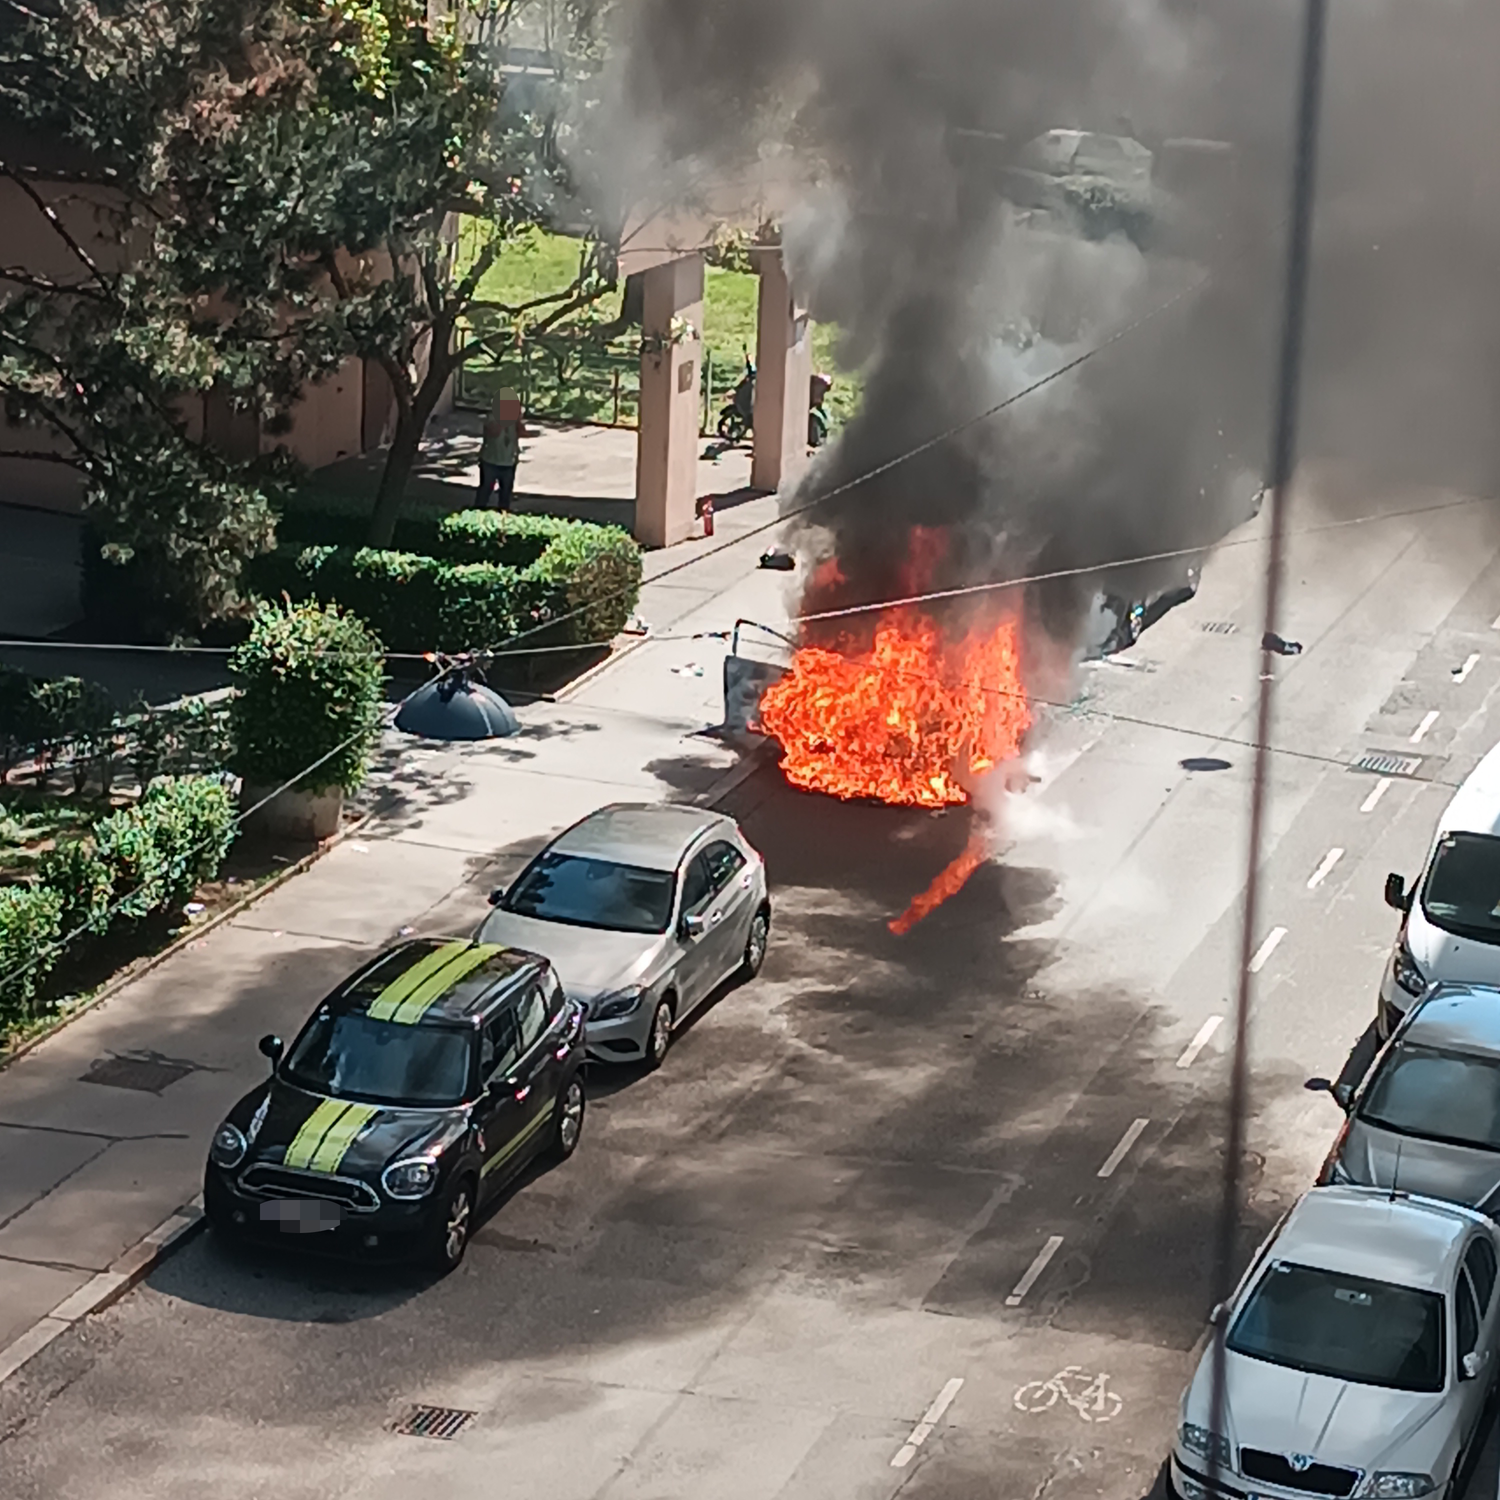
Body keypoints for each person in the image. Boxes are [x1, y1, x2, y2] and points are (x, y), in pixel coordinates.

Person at [477, 387, 522, 510]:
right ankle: (477, 515)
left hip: (508, 461)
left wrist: (518, 420)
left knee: (505, 494)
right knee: (485, 491)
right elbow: (493, 432)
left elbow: (522, 433)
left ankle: (503, 518)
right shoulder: (492, 417)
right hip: (491, 461)